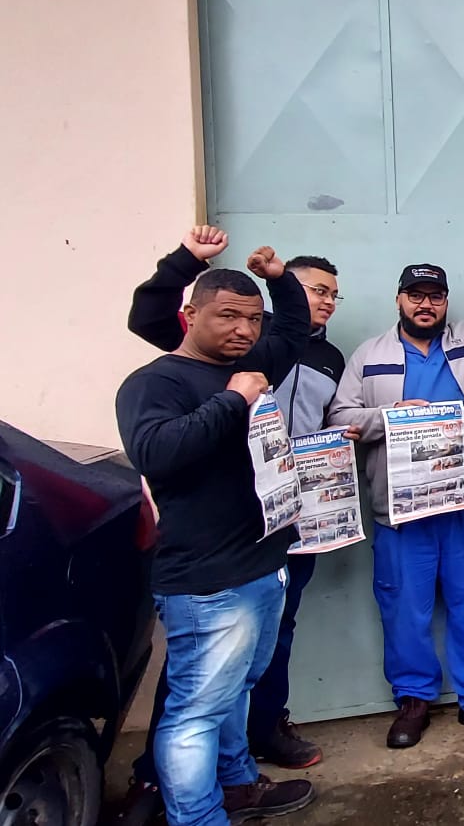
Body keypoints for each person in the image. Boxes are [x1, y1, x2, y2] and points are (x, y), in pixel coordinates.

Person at [116, 227, 346, 826]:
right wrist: (234, 400)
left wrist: (280, 280)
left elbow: (290, 327)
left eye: (251, 319)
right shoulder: (155, 382)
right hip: (208, 579)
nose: (244, 330)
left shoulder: (253, 361)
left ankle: (238, 784)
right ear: (190, 315)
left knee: (236, 691)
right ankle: (196, 816)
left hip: (264, 563)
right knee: (195, 712)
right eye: (228, 316)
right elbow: (158, 453)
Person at [328, 233, 464, 749]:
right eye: (416, 296)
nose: (425, 304)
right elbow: (340, 417)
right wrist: (390, 417)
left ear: (446, 302)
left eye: (435, 296)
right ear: (399, 300)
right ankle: (414, 698)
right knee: (405, 604)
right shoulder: (370, 354)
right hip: (401, 507)